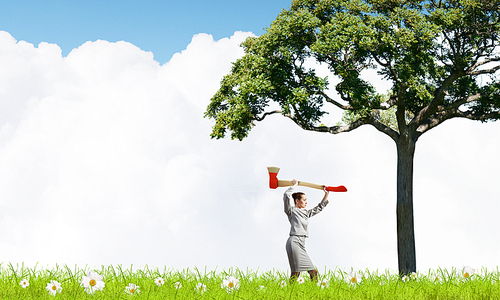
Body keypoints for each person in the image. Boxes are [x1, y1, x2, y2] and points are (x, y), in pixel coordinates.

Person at [284, 179, 329, 283]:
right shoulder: (291, 211)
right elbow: (286, 195)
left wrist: (326, 194)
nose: (306, 202)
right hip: (294, 242)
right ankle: (289, 294)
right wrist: (294, 186)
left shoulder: (306, 213)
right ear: (297, 201)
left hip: (302, 243)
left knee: (312, 272)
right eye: (304, 200)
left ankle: (315, 293)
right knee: (296, 272)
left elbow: (319, 208)